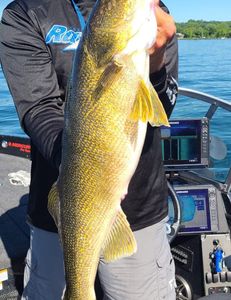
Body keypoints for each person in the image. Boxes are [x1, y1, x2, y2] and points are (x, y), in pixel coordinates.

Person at [0, 0, 178, 299]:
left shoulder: (152, 13)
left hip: (139, 211)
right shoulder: (24, 12)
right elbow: (37, 108)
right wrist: (83, 167)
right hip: (59, 213)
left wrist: (157, 57)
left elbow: (164, 107)